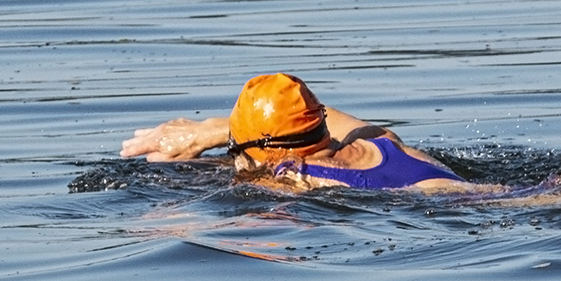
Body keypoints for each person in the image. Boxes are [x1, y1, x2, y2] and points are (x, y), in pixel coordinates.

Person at [119, 73, 469, 191]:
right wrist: (212, 132)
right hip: (492, 195)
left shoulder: (291, 178)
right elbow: (330, 117)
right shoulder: (379, 139)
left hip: (483, 208)